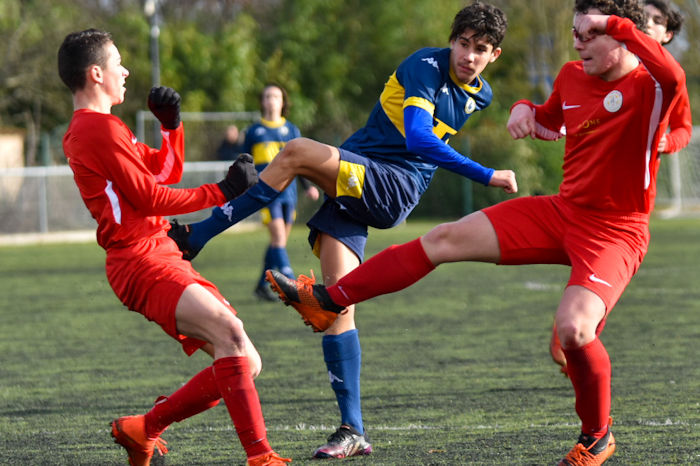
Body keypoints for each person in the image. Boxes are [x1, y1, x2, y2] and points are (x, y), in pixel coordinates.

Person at [266, 1, 687, 464]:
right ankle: (329, 298)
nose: (577, 42)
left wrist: (616, 24)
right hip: (563, 212)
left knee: (573, 329)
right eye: (575, 31)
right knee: (443, 240)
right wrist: (525, 111)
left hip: (616, 231)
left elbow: (675, 78)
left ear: (620, 34)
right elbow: (549, 120)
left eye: (589, 33)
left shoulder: (651, 86)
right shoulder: (570, 74)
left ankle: (597, 435)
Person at [169, 2, 515, 459]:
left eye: (481, 49)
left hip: (391, 185)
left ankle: (199, 234)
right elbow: (417, 133)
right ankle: (352, 429)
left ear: (495, 56)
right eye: (463, 43)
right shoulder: (425, 66)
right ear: (451, 41)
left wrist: (487, 172)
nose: (469, 55)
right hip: (360, 182)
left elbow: (416, 143)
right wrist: (487, 171)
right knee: (338, 302)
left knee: (295, 151)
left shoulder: (480, 92)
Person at [58, 29, 290, 466]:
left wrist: (172, 127)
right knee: (232, 335)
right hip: (139, 260)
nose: (125, 71)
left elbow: (164, 170)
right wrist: (222, 192)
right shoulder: (97, 130)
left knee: (245, 360)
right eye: (117, 63)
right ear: (95, 73)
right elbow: (149, 198)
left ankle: (142, 429)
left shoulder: (105, 128)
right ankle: (262, 458)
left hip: (156, 251)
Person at [548, 0, 693, 376]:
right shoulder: (601, 69)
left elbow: (682, 126)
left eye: (656, 22)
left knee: (602, 272)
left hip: (627, 206)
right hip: (582, 204)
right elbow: (561, 112)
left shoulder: (659, 81)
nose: (647, 26)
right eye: (643, 19)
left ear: (667, 34)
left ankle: (582, 326)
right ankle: (578, 324)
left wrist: (670, 142)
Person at [173, 84, 320, 302]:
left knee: (278, 242)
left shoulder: (292, 130)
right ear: (262, 102)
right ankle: (291, 282)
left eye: (276, 96)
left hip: (289, 193)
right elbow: (243, 160)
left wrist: (308, 187)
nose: (271, 100)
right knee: (278, 239)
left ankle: (262, 284)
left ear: (283, 102)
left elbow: (298, 163)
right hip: (265, 193)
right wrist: (229, 143)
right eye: (268, 96)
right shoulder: (254, 131)